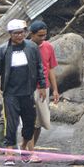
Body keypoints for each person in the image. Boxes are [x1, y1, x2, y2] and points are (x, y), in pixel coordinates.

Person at [0, 18, 47, 162]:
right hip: (10, 94)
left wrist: (42, 86)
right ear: (10, 34)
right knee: (11, 125)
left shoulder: (32, 47)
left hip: (27, 92)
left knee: (29, 123)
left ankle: (24, 147)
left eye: (22, 33)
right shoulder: (3, 50)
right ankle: (9, 153)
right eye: (16, 33)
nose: (19, 36)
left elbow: (39, 68)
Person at [27, 20, 59, 155]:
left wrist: (55, 90)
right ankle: (30, 151)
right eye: (39, 36)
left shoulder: (48, 47)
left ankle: (29, 148)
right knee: (30, 119)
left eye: (44, 35)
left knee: (39, 122)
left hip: (44, 88)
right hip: (28, 88)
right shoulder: (25, 47)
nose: (42, 38)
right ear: (31, 35)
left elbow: (50, 69)